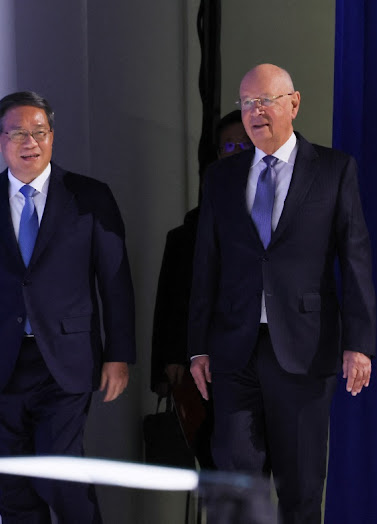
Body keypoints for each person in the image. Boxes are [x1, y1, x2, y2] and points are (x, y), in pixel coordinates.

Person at [0, 91, 136, 524]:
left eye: (40, 132)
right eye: (20, 133)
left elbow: (115, 281)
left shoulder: (89, 197)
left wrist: (118, 354)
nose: (31, 142)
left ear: (51, 136)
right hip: (0, 362)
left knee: (61, 478)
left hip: (66, 360)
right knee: (14, 487)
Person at [188, 64, 376, 524]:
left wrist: (359, 343)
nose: (254, 113)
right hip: (235, 350)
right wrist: (196, 347)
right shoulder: (221, 177)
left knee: (301, 488)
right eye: (246, 103)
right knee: (235, 482)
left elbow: (355, 261)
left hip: (305, 348)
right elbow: (206, 264)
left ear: (293, 104)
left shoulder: (333, 170)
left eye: (264, 101)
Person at [150, 110, 252, 469]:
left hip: (265, 358)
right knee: (213, 457)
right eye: (229, 146)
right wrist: (170, 359)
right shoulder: (188, 232)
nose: (238, 151)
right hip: (204, 363)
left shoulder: (283, 214)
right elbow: (173, 298)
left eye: (246, 143)